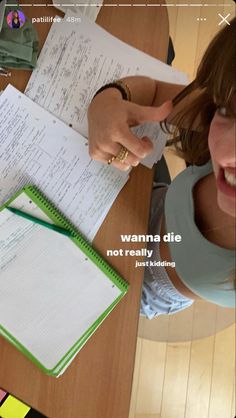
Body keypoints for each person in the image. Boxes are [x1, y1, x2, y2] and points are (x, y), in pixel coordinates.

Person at [87, 18, 236, 317]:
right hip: (146, 203)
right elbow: (153, 92)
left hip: (143, 289)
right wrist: (108, 101)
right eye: (227, 111)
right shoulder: (214, 113)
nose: (226, 153)